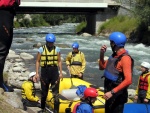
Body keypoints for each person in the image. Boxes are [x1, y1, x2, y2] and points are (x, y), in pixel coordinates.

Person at [99, 32, 134, 113]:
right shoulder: (114, 56)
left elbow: (128, 80)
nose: (110, 44)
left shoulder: (125, 59)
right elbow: (102, 67)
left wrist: (112, 92)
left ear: (114, 44)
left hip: (117, 96)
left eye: (111, 42)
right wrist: (101, 54)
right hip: (109, 94)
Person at [35, 33, 63, 113]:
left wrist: (61, 72)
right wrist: (37, 73)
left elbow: (59, 61)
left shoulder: (57, 49)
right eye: (49, 43)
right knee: (44, 93)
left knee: (56, 94)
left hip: (54, 72)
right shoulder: (41, 49)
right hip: (45, 72)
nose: (50, 44)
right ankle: (43, 109)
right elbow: (37, 61)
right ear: (46, 42)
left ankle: (56, 111)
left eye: (52, 43)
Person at [0, 0, 20, 92]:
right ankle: (0, 82)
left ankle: (0, 81)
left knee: (5, 49)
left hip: (9, 12)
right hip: (3, 11)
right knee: (2, 50)